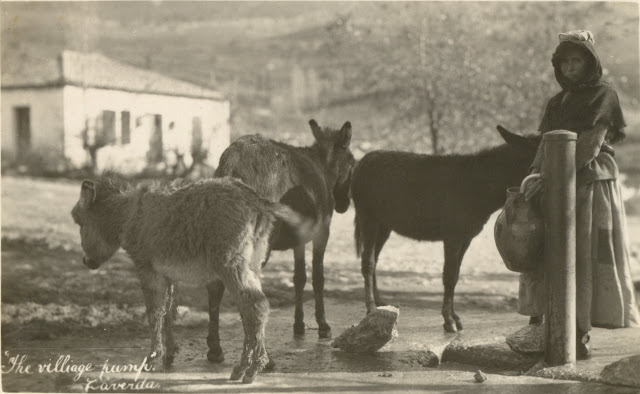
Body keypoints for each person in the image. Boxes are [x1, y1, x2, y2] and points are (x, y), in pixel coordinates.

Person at [519, 30, 640, 359]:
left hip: (590, 183)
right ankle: (550, 324)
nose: (570, 68)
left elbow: (590, 145)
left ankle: (580, 333)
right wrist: (534, 174)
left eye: (577, 61)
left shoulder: (604, 95)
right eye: (565, 62)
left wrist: (552, 176)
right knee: (550, 251)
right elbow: (546, 143)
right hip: (555, 181)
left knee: (584, 255)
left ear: (590, 63)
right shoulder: (557, 102)